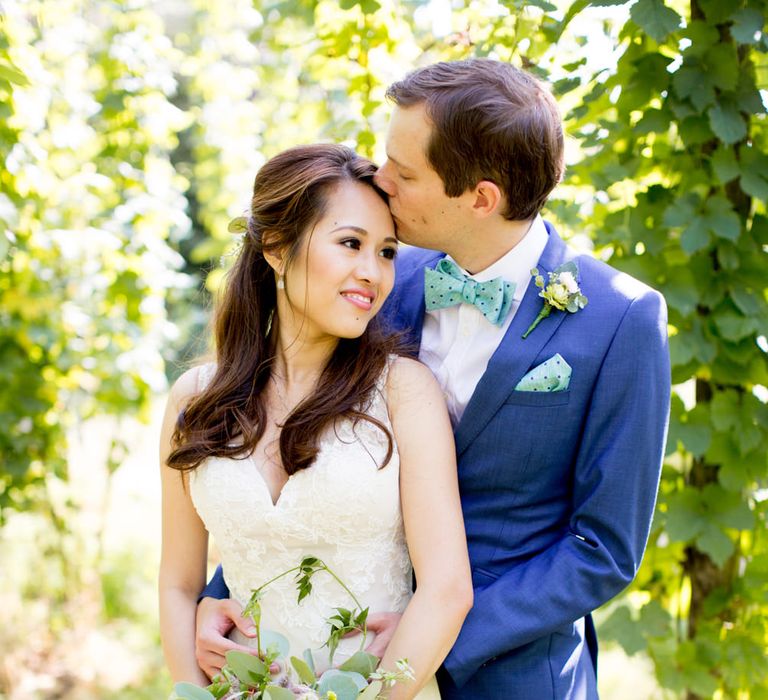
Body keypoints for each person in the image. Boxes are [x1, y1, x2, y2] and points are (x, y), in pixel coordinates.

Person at [196, 59, 671, 699]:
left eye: (405, 172)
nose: (379, 180)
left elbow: (603, 547)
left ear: (480, 198)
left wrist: (437, 639)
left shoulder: (622, 319)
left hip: (510, 674)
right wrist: (223, 595)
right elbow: (293, 441)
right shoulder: (378, 280)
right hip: (326, 658)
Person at [158, 143, 473, 699]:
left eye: (387, 252)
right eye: (351, 243)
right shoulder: (194, 400)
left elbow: (447, 589)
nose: (371, 272)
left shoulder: (404, 391)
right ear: (277, 248)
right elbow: (180, 584)